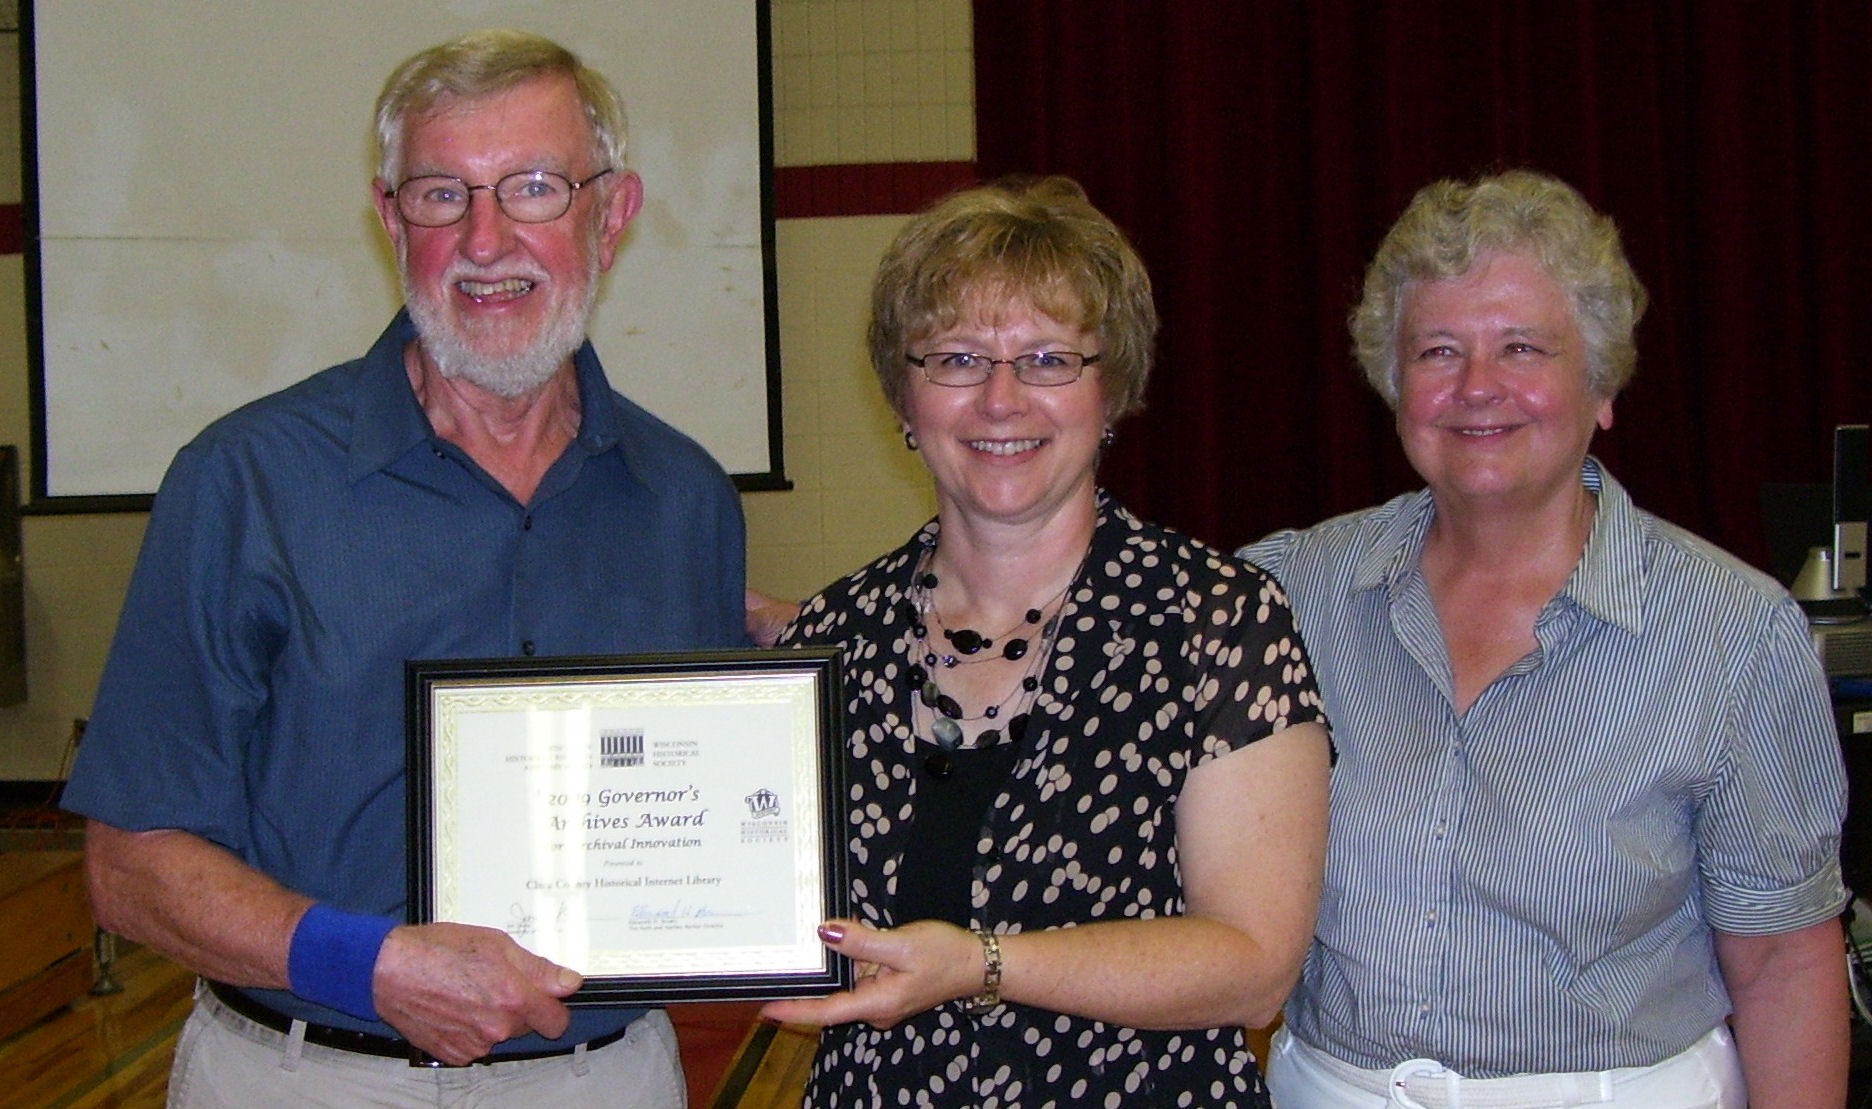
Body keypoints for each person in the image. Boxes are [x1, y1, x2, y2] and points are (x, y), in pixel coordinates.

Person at [60, 30, 745, 1108]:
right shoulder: (245, 482)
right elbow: (129, 866)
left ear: (610, 215)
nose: (485, 240)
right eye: (441, 195)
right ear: (390, 220)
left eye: (531, 188)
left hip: (601, 1080)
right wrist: (369, 964)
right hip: (306, 1077)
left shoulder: (689, 500)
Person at [1239, 168, 1849, 1108]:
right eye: (1439, 350)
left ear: (1602, 385)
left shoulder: (1733, 631)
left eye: (1523, 346)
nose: (1478, 387)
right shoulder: (1287, 595)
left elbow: (1782, 962)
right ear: (1395, 386)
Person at [755, 176, 1333, 1107]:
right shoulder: (828, 638)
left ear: (1112, 390)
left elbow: (1253, 965)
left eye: (1049, 359)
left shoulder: (1220, 622)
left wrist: (983, 963)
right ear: (905, 398)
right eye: (955, 358)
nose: (1000, 398)